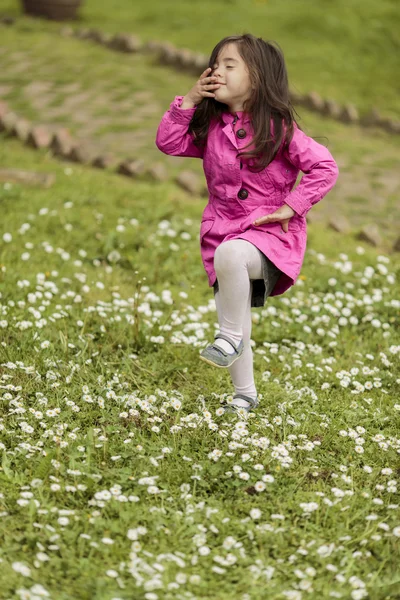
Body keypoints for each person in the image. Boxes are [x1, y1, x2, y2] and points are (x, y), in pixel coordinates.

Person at [155, 34, 339, 414]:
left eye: (229, 65)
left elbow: (325, 167)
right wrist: (188, 101)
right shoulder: (212, 130)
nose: (217, 71)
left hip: (271, 235)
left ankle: (228, 336)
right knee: (234, 307)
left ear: (256, 78)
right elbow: (169, 143)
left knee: (233, 268)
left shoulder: (278, 129)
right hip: (221, 235)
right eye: (215, 64)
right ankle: (245, 395)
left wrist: (294, 205)